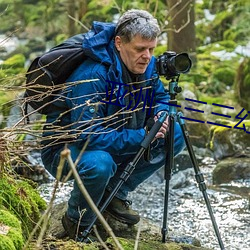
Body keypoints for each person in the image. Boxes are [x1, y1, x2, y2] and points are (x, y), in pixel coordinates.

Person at [41, 9, 185, 241]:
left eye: (151, 49)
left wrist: (161, 114)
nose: (147, 56)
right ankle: (76, 221)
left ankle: (115, 193)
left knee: (175, 132)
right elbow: (87, 136)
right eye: (140, 49)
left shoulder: (145, 65)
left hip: (116, 136)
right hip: (66, 150)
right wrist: (142, 135)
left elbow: (160, 97)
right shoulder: (92, 75)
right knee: (100, 164)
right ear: (119, 43)